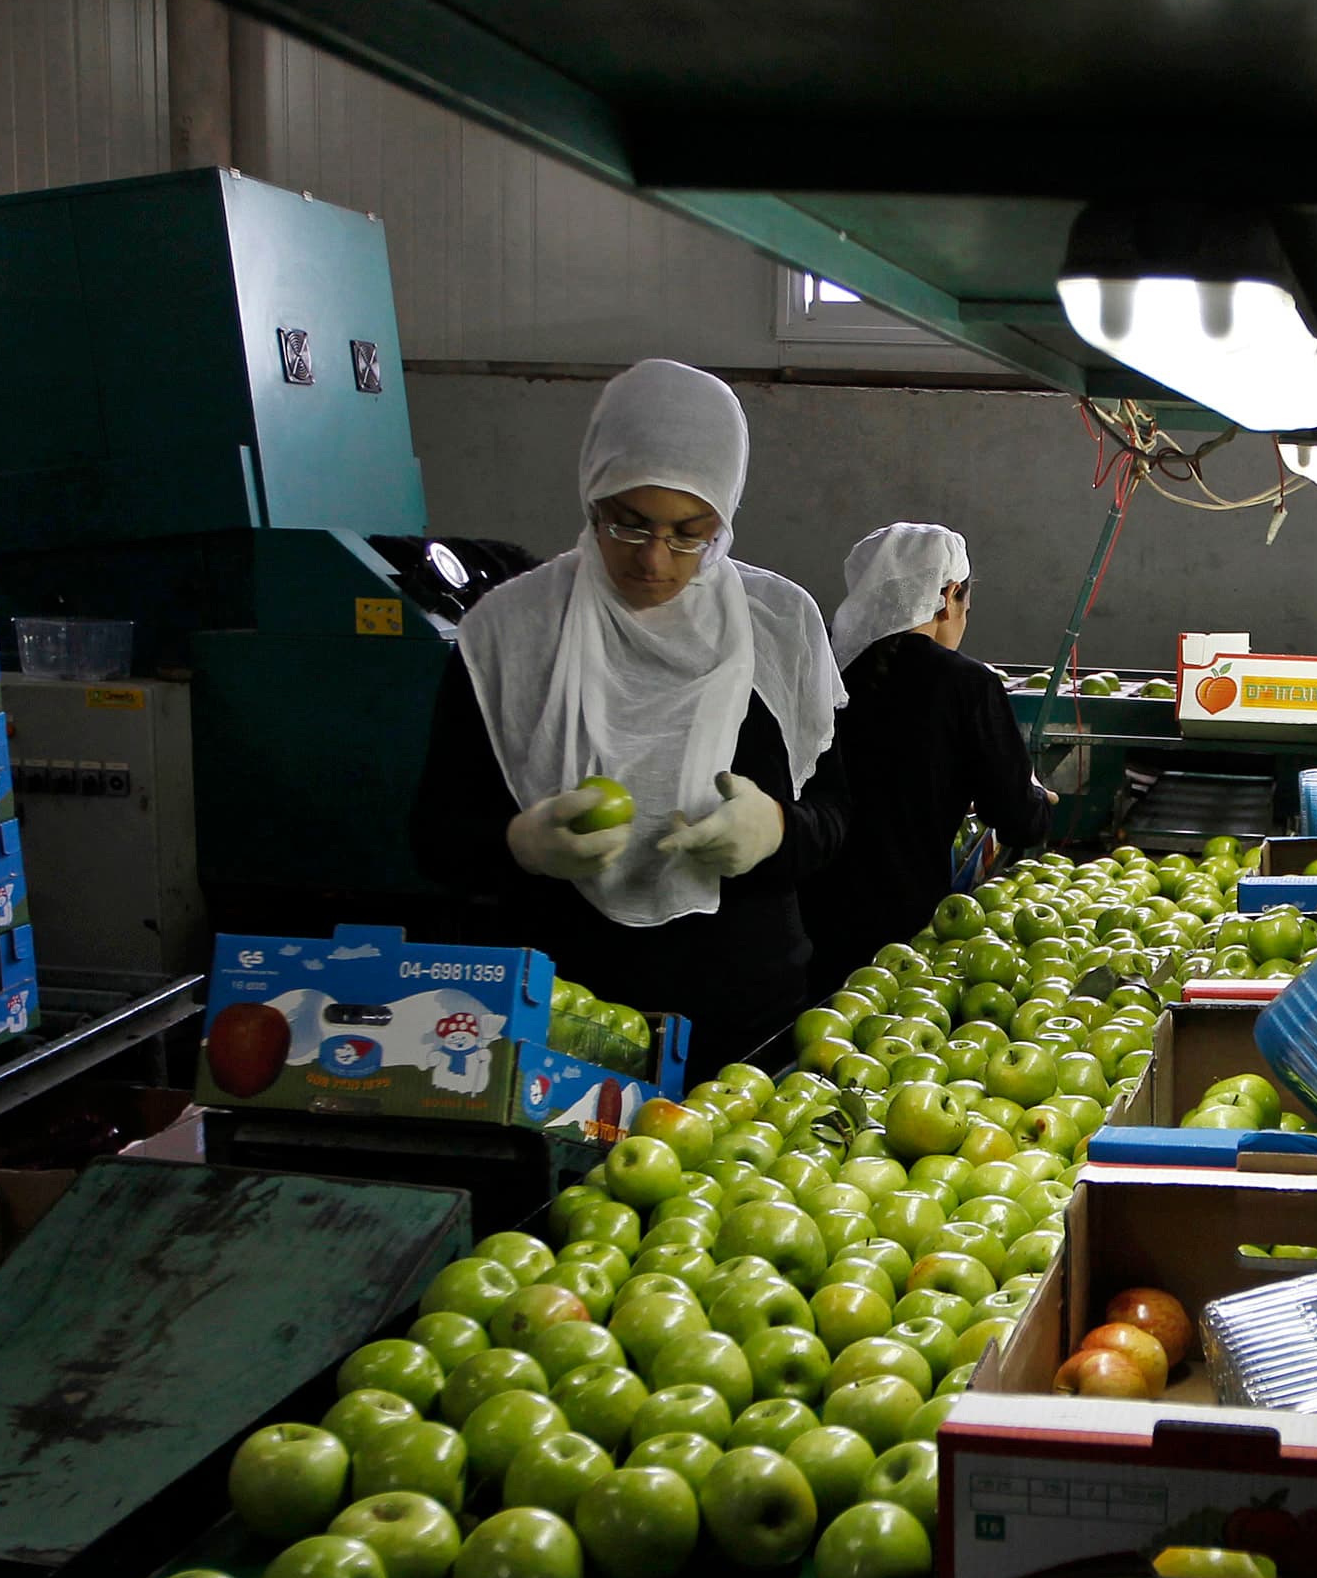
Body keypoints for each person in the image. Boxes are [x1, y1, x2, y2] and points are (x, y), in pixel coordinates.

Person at [409, 359, 847, 1084]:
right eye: (627, 523)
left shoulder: (779, 628)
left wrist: (777, 829)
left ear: (725, 519)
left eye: (688, 533)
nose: (652, 559)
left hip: (742, 1023)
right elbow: (435, 836)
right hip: (557, 1024)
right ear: (590, 497)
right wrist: (518, 843)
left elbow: (837, 814)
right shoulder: (511, 634)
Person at [799, 522, 1055, 986]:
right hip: (906, 934)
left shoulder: (822, 672)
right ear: (950, 593)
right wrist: (1034, 794)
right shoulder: (966, 684)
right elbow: (1019, 820)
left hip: (808, 921)